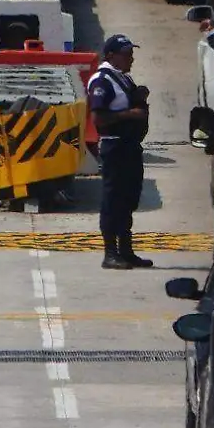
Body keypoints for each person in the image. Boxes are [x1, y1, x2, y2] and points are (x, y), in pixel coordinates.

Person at [87, 34, 154, 270]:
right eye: (126, 54)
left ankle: (126, 250)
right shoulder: (102, 81)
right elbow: (98, 118)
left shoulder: (122, 78)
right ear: (111, 56)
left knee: (128, 199)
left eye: (131, 53)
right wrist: (130, 115)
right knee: (113, 200)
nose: (131, 58)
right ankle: (110, 253)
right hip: (115, 147)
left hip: (129, 147)